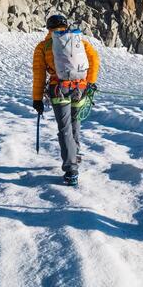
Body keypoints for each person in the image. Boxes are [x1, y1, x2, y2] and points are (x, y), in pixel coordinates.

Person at [32, 14, 100, 184]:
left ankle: (71, 170)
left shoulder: (43, 46)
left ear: (48, 28)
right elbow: (94, 59)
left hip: (59, 89)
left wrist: (37, 98)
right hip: (80, 88)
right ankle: (75, 154)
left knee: (64, 128)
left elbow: (39, 73)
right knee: (75, 121)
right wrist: (90, 82)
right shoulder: (79, 42)